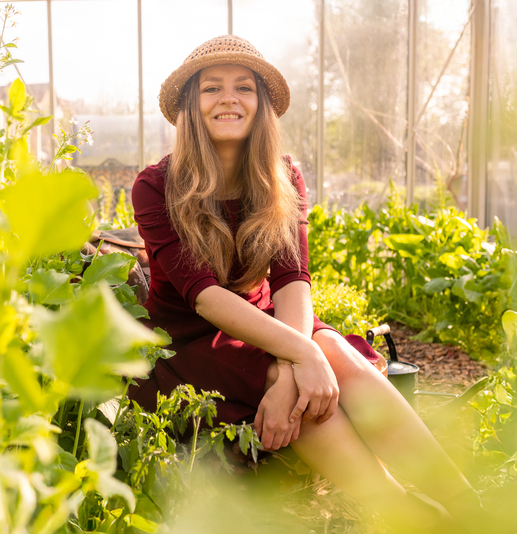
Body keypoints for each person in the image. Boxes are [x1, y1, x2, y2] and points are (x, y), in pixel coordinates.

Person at [126, 35, 481, 532]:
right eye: (211, 88)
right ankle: (406, 515)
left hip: (268, 321)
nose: (228, 98)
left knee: (331, 348)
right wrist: (298, 359)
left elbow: (292, 279)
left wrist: (299, 359)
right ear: (189, 104)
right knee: (298, 365)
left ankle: (467, 508)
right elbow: (204, 298)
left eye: (243, 87)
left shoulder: (283, 176)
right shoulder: (157, 185)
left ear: (262, 103)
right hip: (190, 340)